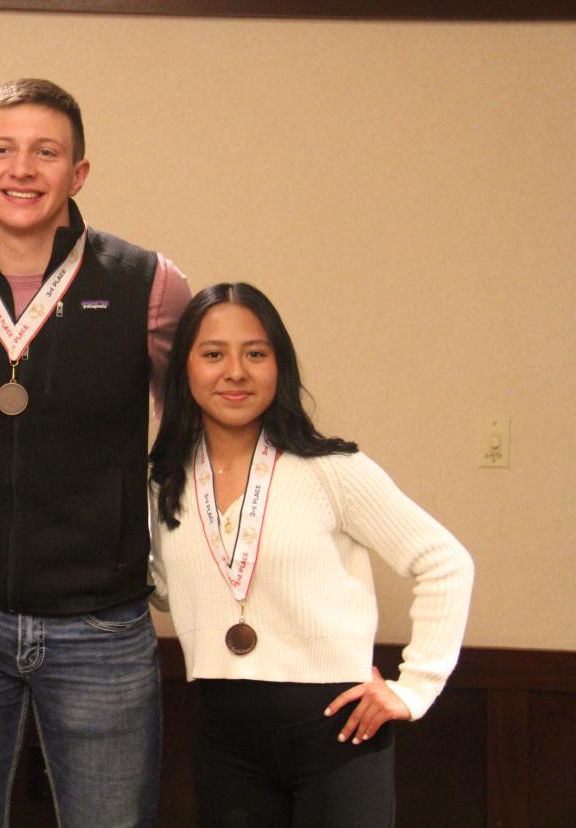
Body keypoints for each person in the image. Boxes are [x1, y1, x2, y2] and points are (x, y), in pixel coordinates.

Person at [0, 77, 191, 827]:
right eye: (3, 149)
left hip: (101, 623)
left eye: (46, 151)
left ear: (78, 173)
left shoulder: (148, 283)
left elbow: (194, 428)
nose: (21, 168)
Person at [148, 282, 475, 827]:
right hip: (222, 736)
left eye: (255, 353)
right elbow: (160, 589)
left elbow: (444, 561)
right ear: (185, 369)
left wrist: (414, 687)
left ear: (280, 367)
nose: (235, 372)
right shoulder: (164, 483)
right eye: (213, 354)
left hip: (337, 733)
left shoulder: (332, 470)